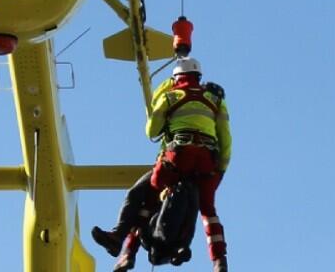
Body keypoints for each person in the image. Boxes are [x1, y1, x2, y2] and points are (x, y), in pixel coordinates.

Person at [91, 57, 231, 272]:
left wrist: (166, 89)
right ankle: (219, 262)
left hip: (178, 157)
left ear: (176, 77)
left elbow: (152, 130)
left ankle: (125, 249)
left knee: (145, 198)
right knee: (208, 212)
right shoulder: (216, 99)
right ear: (198, 76)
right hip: (206, 162)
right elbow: (226, 138)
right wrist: (219, 169)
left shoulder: (170, 95)